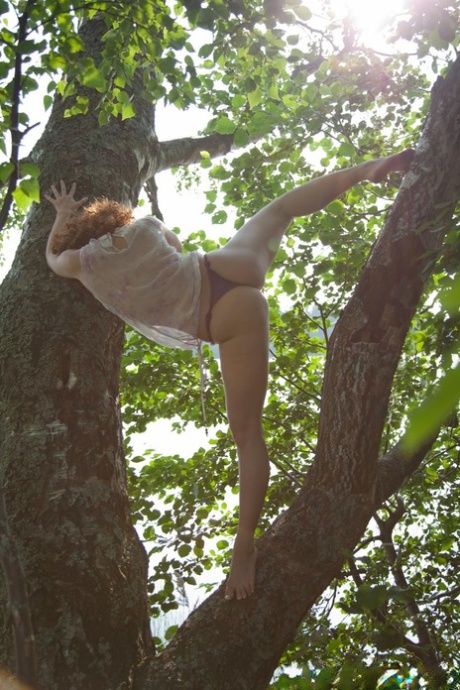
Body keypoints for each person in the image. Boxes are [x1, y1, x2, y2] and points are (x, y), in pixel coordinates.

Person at [45, 149, 414, 600]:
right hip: (225, 264)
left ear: (85, 235)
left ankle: (244, 549)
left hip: (226, 316)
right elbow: (176, 245)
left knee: (248, 435)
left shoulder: (82, 263)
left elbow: (51, 258)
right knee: (281, 208)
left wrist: (61, 216)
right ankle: (365, 170)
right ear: (117, 218)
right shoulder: (143, 227)